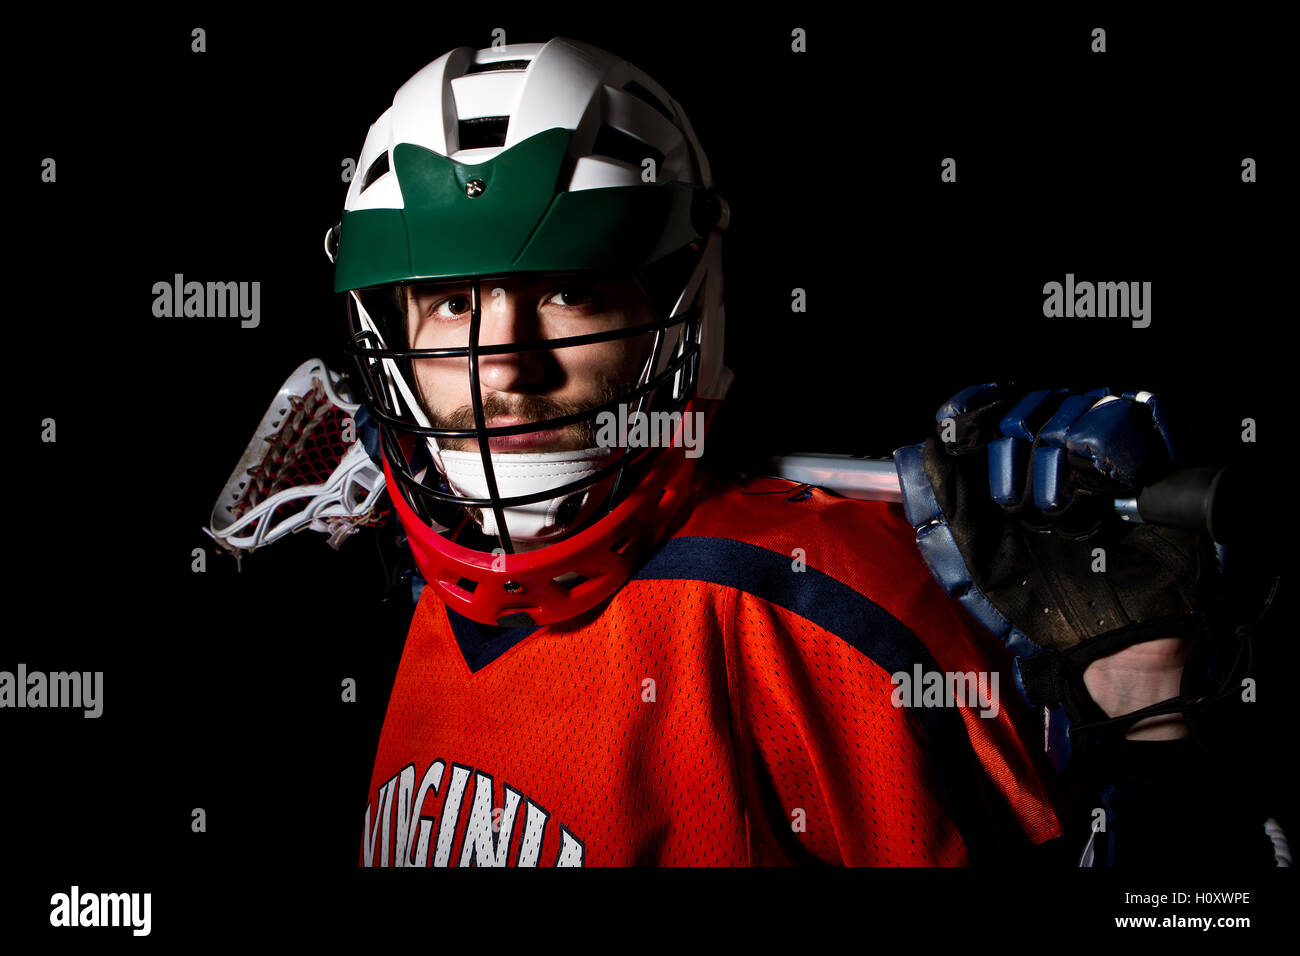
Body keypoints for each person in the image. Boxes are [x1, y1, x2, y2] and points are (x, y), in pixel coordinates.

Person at [329, 37, 1278, 867]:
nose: (504, 364)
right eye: (453, 303)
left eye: (570, 293)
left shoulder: (814, 601)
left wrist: (1149, 733)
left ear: (677, 308)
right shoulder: (420, 579)